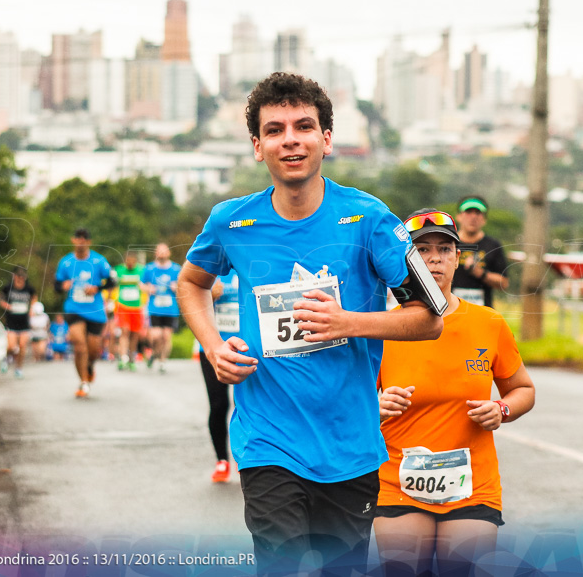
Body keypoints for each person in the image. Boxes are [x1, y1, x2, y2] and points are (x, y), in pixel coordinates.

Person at [178, 72, 443, 577]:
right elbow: (190, 284)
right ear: (258, 146)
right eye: (274, 130)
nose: (290, 139)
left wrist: (348, 322)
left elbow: (429, 319)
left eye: (303, 126)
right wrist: (212, 347)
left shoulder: (369, 219)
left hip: (351, 445)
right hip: (267, 438)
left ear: (326, 138)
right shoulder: (231, 221)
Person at [376, 209, 535, 576]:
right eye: (423, 249)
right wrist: (375, 405)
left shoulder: (488, 324)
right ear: (406, 258)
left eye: (445, 249)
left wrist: (502, 410)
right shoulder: (381, 325)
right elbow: (347, 405)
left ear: (457, 257)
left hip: (473, 487)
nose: (434, 258)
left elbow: (523, 389)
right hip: (397, 481)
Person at [55, 228, 116, 398]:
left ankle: (89, 368)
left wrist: (97, 287)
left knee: (93, 350)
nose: (81, 241)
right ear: (73, 240)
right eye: (78, 238)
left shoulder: (98, 261)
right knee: (78, 344)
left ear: (89, 242)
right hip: (74, 309)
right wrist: (63, 286)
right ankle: (83, 382)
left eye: (84, 238)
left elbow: (112, 280)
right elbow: (56, 285)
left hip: (95, 311)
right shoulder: (66, 262)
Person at [198, 270, 239, 484]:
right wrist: (208, 295)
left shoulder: (249, 263)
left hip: (246, 346)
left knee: (245, 404)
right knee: (219, 404)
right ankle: (222, 460)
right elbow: (188, 301)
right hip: (213, 347)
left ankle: (246, 458)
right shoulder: (210, 269)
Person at [451, 196, 509, 308]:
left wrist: (481, 273)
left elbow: (504, 283)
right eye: (468, 212)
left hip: (482, 311)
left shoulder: (493, 245)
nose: (473, 217)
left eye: (478, 213)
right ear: (458, 216)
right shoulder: (449, 243)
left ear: (484, 219)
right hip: (452, 311)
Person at [141, 243, 182, 374]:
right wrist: (148, 289)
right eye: (160, 251)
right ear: (156, 253)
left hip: (170, 308)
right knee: (155, 336)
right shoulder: (149, 268)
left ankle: (162, 361)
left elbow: (185, 285)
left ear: (168, 253)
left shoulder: (176, 269)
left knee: (166, 336)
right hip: (155, 308)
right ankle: (154, 352)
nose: (162, 254)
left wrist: (177, 287)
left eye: (164, 251)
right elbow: (140, 284)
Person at [0, 266, 36, 378]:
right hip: (11, 322)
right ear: (14, 277)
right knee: (11, 346)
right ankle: (6, 358)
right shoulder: (8, 288)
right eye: (18, 276)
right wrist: (7, 306)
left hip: (24, 322)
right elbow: (1, 299)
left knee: (22, 346)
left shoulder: (29, 289)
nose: (20, 279)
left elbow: (34, 298)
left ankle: (19, 368)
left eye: (22, 277)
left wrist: (32, 309)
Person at [114, 251, 146, 371]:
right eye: (128, 261)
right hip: (123, 306)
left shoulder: (142, 270)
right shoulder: (118, 270)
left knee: (134, 334)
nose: (130, 263)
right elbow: (111, 283)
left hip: (137, 307)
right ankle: (123, 358)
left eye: (132, 261)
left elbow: (147, 283)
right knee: (125, 331)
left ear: (135, 260)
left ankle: (132, 358)